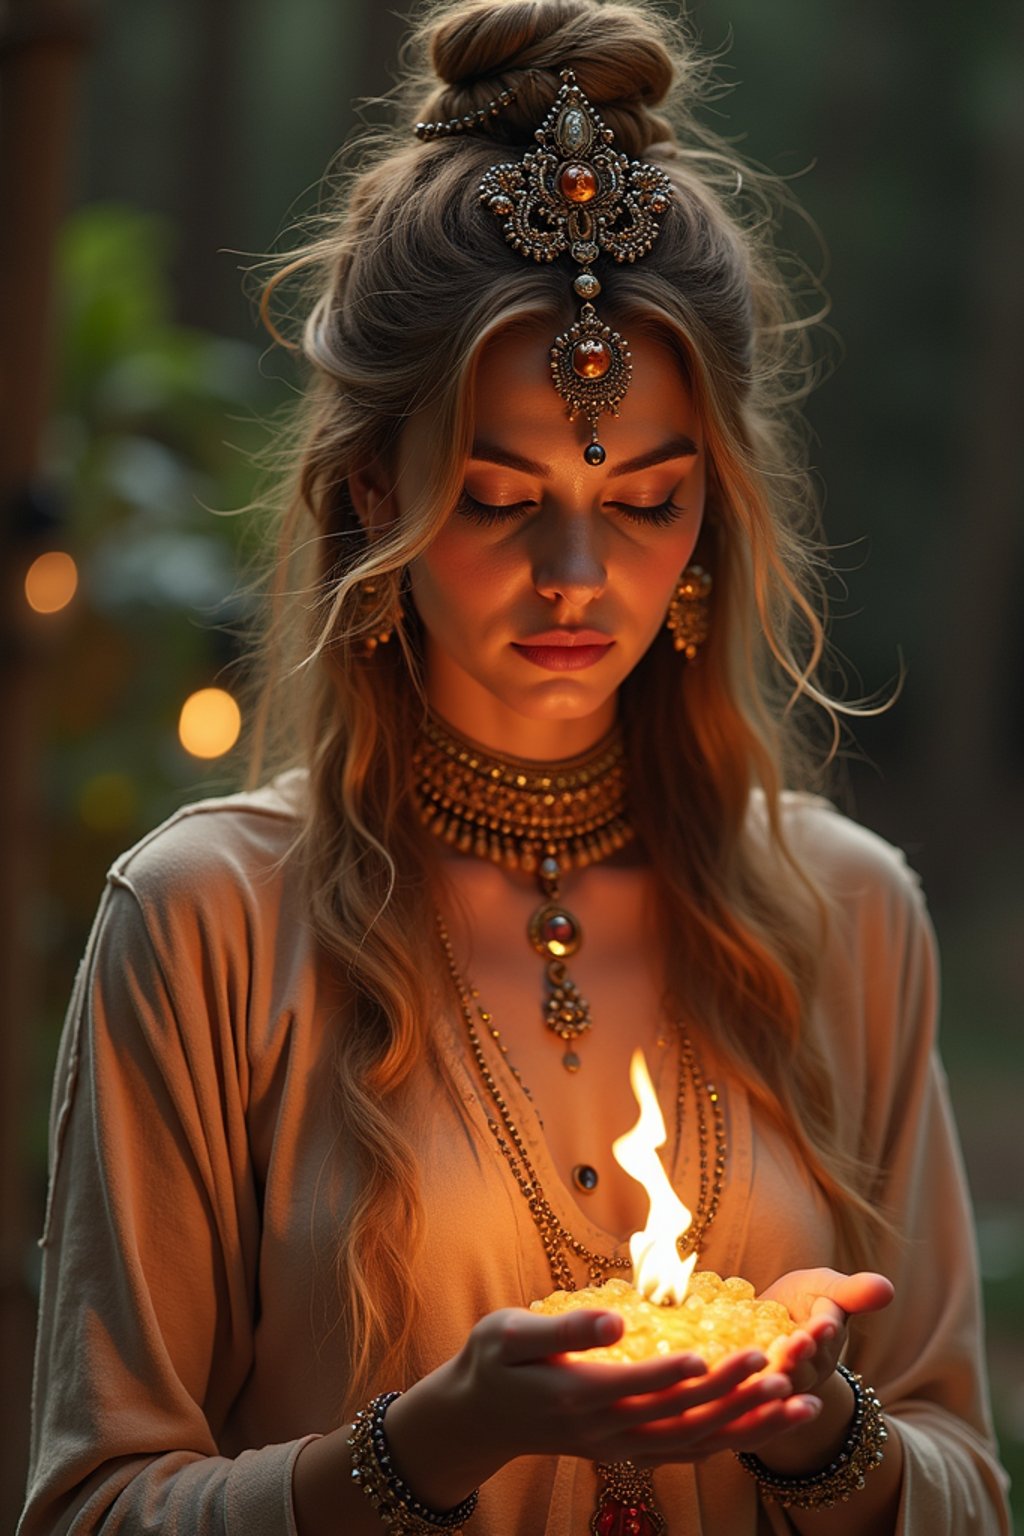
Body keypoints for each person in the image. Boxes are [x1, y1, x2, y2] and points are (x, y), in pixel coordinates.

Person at [19, 1, 1012, 1533]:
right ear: (372, 493)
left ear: (711, 523)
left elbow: (964, 1481)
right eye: (498, 497)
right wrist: (425, 1444)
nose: (575, 576)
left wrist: (828, 1436)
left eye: (645, 504)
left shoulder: (845, 910)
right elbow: (91, 1506)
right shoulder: (205, 921)